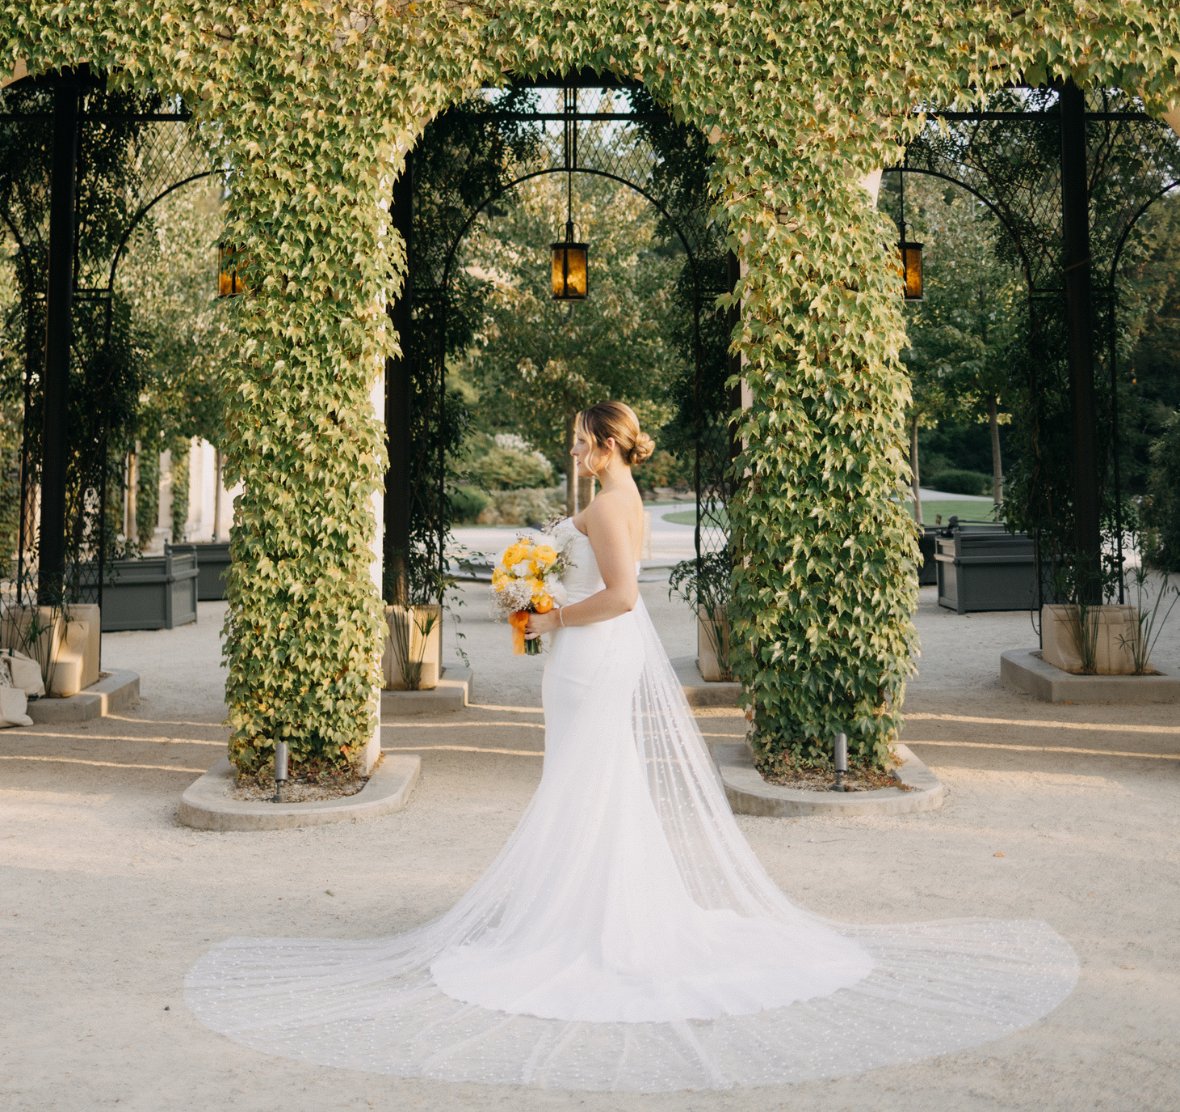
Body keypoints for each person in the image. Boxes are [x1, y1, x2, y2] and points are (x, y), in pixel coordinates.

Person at [186, 400, 1078, 1093]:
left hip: (592, 652)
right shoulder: (610, 499)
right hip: (578, 657)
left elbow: (620, 598)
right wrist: (529, 577)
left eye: (582, 441)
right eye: (576, 442)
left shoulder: (613, 506)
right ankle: (578, 904)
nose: (574, 451)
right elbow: (568, 556)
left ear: (609, 445)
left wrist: (544, 612)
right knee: (589, 781)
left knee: (587, 780)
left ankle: (585, 922)